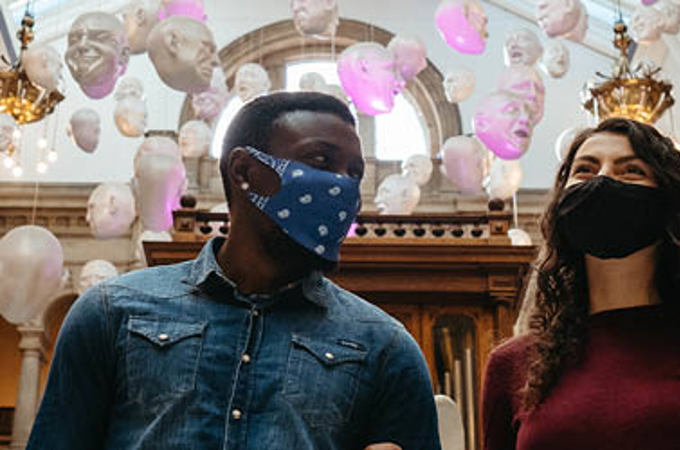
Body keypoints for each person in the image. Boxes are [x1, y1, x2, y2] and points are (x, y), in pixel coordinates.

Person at [28, 92, 440, 450]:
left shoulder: (387, 348)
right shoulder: (111, 313)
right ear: (244, 172)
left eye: (354, 174)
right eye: (320, 161)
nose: (344, 188)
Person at [481, 117, 680, 449]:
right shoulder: (513, 365)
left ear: (671, 202)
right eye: (585, 170)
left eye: (631, 170)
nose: (603, 179)